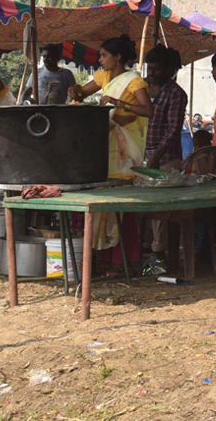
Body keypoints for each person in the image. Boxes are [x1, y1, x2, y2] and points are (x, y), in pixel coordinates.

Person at [68, 35, 152, 266]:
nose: (100, 59)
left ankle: (124, 259)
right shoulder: (103, 76)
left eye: (104, 56)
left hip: (124, 149)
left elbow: (147, 110)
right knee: (104, 199)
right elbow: (82, 93)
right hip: (105, 143)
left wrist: (119, 103)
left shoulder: (134, 81)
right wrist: (75, 91)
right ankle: (104, 258)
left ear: (118, 58)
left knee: (120, 204)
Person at [144, 44, 187, 169]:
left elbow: (173, 129)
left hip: (167, 159)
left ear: (168, 70)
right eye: (149, 68)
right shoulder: (140, 86)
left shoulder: (176, 93)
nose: (151, 73)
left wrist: (156, 156)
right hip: (140, 155)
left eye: (157, 69)